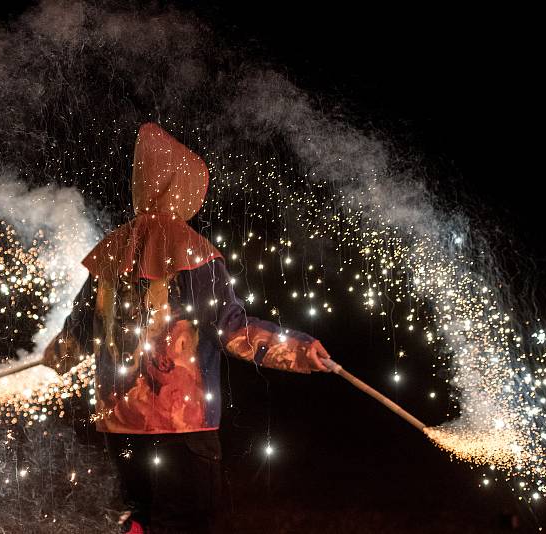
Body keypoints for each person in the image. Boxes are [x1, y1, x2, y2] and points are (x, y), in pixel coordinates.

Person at [42, 122, 336, 533]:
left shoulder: (112, 250)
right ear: (183, 187)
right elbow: (233, 331)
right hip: (183, 426)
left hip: (121, 425)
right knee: (186, 523)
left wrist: (56, 353)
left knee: (139, 520)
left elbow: (78, 334)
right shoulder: (193, 251)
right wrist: (299, 350)